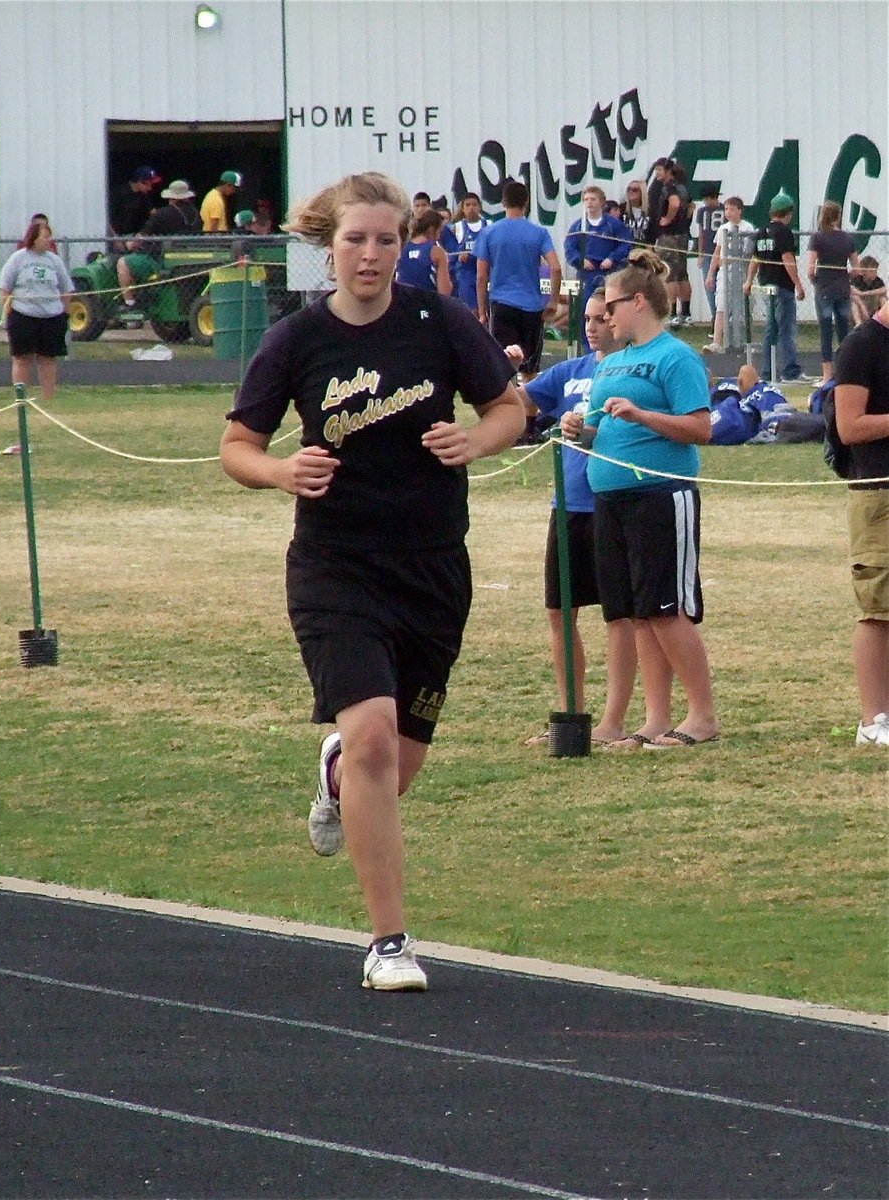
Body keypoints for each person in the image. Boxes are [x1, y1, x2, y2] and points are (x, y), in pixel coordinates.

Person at [219, 171, 524, 991]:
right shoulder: (298, 338)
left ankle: (334, 774)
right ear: (330, 244)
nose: (372, 254)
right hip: (335, 567)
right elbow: (237, 446)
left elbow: (509, 407)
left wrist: (478, 441)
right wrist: (281, 470)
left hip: (432, 568)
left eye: (387, 239)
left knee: (393, 767)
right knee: (377, 740)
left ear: (405, 244)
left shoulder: (440, 322)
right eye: (356, 239)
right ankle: (390, 943)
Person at [563, 248, 719, 750]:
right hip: (610, 497)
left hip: (660, 494)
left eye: (611, 307)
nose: (605, 317)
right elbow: (591, 432)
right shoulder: (612, 365)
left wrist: (642, 416)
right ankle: (655, 719)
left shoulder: (675, 357)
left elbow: (701, 428)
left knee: (667, 609)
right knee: (637, 612)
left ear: (639, 303)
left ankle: (703, 717)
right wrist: (576, 429)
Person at [517, 289, 638, 746]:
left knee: (618, 616)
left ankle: (613, 720)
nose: (590, 326)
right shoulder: (568, 373)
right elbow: (520, 403)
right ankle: (570, 714)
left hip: (610, 501)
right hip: (566, 506)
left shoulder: (629, 370)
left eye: (599, 318)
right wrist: (504, 368)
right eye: (585, 319)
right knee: (560, 611)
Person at [832, 299, 889, 747]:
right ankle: (873, 721)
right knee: (878, 608)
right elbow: (849, 426)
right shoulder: (861, 346)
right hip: (878, 494)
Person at [475, 178, 563, 441]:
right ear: (526, 202)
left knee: (504, 367)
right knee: (530, 369)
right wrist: (554, 301)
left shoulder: (490, 233)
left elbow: (481, 276)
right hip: (531, 306)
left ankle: (506, 426)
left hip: (502, 303)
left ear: (502, 202)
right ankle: (529, 428)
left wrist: (482, 310)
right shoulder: (538, 233)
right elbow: (556, 267)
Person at [0, 217, 73, 404]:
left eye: (50, 237)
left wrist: (64, 312)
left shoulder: (54, 261)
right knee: (22, 359)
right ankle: (21, 400)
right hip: (23, 315)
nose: (49, 241)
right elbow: (5, 287)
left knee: (48, 359)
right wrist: (7, 311)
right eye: (45, 237)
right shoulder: (18, 258)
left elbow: (67, 288)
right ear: (34, 238)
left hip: (51, 316)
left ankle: (48, 400)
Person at [744, 189, 806, 382]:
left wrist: (748, 280)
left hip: (766, 284)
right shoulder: (784, 232)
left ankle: (767, 371)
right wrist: (798, 284)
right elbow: (787, 259)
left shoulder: (762, 231)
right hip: (782, 285)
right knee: (786, 329)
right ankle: (790, 371)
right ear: (788, 213)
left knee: (771, 329)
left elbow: (755, 259)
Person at [117, 179, 201, 306]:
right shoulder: (196, 215)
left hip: (160, 261)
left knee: (123, 263)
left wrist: (129, 244)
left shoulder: (162, 214)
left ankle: (130, 305)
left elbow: (140, 239)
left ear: (171, 197)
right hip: (186, 260)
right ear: (186, 197)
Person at [563, 185, 632, 340]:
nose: (589, 203)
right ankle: (587, 343)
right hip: (586, 275)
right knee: (585, 311)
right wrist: (580, 261)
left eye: (593, 199)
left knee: (610, 307)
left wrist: (612, 258)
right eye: (586, 199)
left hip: (608, 273)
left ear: (602, 202)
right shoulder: (578, 226)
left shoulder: (612, 224)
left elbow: (626, 243)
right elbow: (569, 249)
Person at [807, 201, 861, 384]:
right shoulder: (848, 239)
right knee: (844, 330)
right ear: (838, 216)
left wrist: (815, 280)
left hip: (824, 287)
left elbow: (810, 268)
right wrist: (846, 277)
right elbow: (856, 268)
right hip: (842, 288)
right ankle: (846, 372)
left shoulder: (818, 238)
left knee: (825, 331)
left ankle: (827, 375)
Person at [703, 195, 756, 353]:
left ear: (740, 211)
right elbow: (717, 252)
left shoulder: (748, 228)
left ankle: (748, 343)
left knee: (745, 309)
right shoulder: (722, 229)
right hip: (725, 275)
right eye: (726, 209)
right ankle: (717, 342)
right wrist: (711, 273)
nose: (728, 212)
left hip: (742, 274)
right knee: (721, 307)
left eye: (732, 209)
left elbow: (747, 253)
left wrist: (729, 261)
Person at [655, 161, 694, 327]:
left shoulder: (669, 187)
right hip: (682, 234)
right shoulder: (683, 186)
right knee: (682, 273)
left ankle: (671, 313)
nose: (657, 174)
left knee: (669, 272)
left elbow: (675, 203)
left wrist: (669, 219)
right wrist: (685, 221)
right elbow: (691, 206)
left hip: (669, 236)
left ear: (668, 171)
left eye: (659, 170)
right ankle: (686, 313)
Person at [395, 209, 452, 295]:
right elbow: (445, 291)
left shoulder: (401, 249)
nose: (439, 236)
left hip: (403, 301)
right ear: (432, 230)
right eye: (439, 232)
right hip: (428, 303)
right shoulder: (436, 252)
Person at [108, 166, 162, 247]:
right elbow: (107, 218)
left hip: (134, 238)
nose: (150, 188)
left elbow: (154, 214)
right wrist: (115, 239)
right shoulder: (119, 194)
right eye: (148, 184)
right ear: (140, 182)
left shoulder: (144, 196)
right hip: (116, 236)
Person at [694, 187, 725, 323]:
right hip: (707, 252)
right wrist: (700, 254)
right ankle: (715, 317)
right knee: (710, 286)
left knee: (722, 285)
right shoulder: (702, 212)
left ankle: (723, 317)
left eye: (707, 199)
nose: (705, 202)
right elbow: (701, 234)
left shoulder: (724, 210)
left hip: (721, 252)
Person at [451, 192, 486, 311]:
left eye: (474, 205)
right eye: (468, 205)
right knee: (472, 311)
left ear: (479, 207)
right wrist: (459, 256)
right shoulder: (456, 227)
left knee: (487, 311)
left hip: (486, 272)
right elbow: (450, 254)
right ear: (463, 208)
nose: (471, 208)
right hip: (466, 274)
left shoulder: (489, 225)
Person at [201, 169, 243, 234]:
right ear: (228, 185)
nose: (234, 192)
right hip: (215, 241)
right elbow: (213, 227)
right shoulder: (216, 200)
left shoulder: (212, 195)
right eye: (234, 189)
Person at [851, 255, 887, 324]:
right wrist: (862, 306)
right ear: (863, 271)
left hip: (872, 306)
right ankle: (858, 325)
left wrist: (862, 293)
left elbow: (884, 290)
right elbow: (852, 292)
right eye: (871, 271)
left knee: (883, 299)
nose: (874, 273)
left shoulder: (877, 280)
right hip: (862, 307)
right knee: (853, 304)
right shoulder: (857, 280)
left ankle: (884, 323)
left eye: (875, 271)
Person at [621, 179, 652, 247]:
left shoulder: (651, 211)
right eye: (629, 189)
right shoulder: (622, 209)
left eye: (635, 190)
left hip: (644, 249)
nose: (631, 192)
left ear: (642, 192)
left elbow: (653, 235)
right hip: (625, 248)